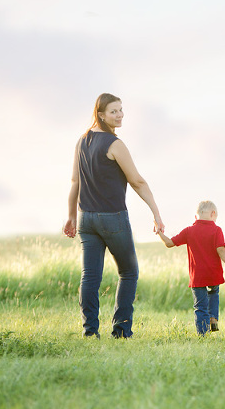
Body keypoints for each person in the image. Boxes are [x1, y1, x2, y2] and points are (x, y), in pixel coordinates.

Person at [63, 93, 164, 339]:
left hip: (86, 218)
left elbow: (75, 181)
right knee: (128, 272)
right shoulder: (114, 144)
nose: (119, 115)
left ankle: (90, 331)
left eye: (120, 110)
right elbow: (137, 181)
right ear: (100, 114)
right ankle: (120, 331)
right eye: (113, 112)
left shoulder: (81, 141)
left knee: (90, 277)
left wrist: (71, 216)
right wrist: (156, 213)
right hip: (113, 218)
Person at [156, 201, 225, 335]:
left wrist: (159, 232)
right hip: (213, 274)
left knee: (200, 307)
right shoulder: (217, 230)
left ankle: (203, 334)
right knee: (214, 293)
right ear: (213, 213)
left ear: (196, 216)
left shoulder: (189, 231)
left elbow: (169, 243)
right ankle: (213, 318)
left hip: (197, 277)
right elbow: (221, 250)